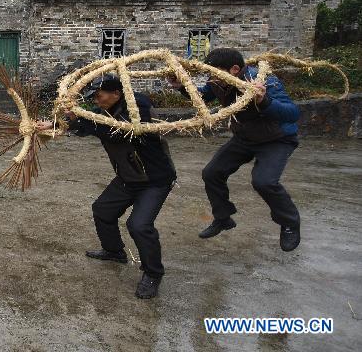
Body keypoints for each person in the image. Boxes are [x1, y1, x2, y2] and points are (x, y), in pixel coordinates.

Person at [50, 76, 177, 299]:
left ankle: (153, 274)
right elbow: (86, 126)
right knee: (102, 210)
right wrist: (56, 125)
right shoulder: (104, 111)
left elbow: (116, 132)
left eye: (99, 96)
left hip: (154, 180)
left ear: (116, 94)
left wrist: (81, 118)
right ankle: (114, 251)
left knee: (138, 225)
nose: (97, 102)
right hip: (128, 177)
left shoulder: (139, 106)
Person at [168, 47, 301, 251]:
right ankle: (223, 218)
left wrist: (263, 100)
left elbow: (292, 113)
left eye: (215, 73)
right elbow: (202, 96)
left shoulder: (263, 80)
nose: (212, 78)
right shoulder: (218, 81)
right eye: (210, 73)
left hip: (276, 139)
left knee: (263, 181)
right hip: (245, 137)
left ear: (234, 69)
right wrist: (180, 86)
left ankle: (290, 223)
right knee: (212, 173)